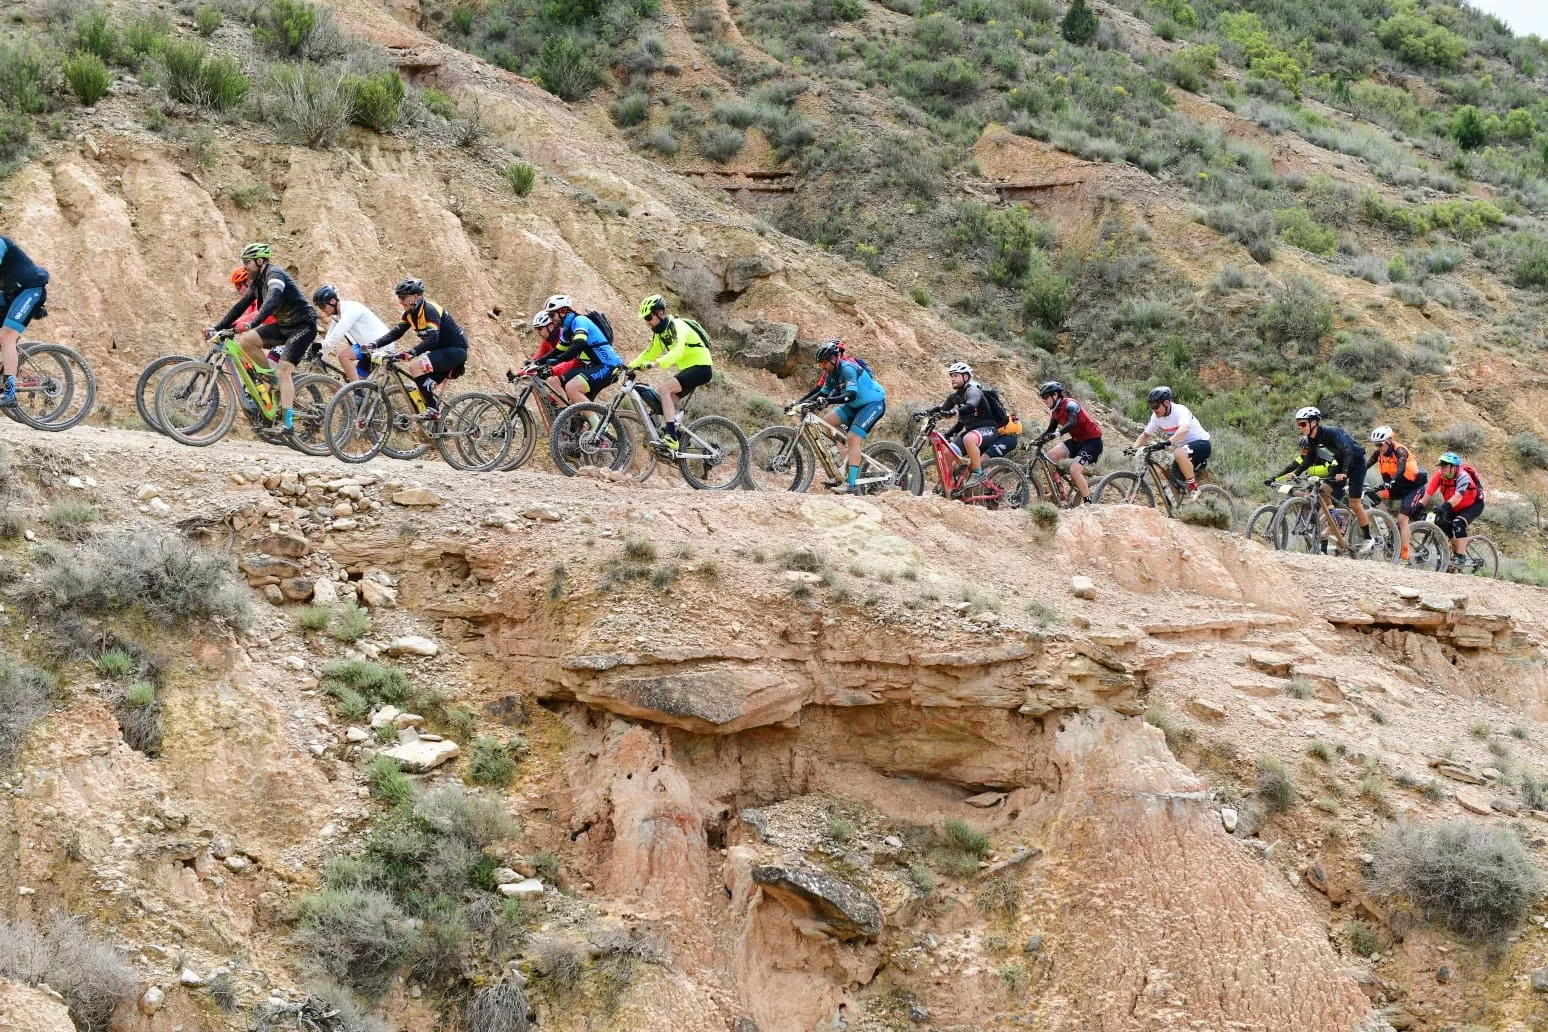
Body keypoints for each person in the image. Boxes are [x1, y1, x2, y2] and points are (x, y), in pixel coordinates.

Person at [208, 243, 317, 433]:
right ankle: (270, 380)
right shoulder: (258, 280)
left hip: (303, 327)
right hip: (284, 326)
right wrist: (217, 327)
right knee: (247, 341)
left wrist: (253, 322)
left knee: (283, 371)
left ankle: (288, 424)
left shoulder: (275, 275)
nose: (245, 267)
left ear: (260, 261)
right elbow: (240, 306)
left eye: (247, 263)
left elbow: (272, 300)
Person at [1266, 406, 1373, 549]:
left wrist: (1345, 473)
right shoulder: (1312, 439)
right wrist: (1295, 474)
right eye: (1298, 424)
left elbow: (1347, 452)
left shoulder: (1331, 433)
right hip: (1340, 462)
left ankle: (1368, 537)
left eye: (1303, 424)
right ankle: (1335, 522)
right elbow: (1308, 460)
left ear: (1314, 422)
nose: (1300, 427)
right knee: (1323, 490)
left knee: (1354, 503)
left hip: (1357, 461)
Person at [788, 340, 886, 495]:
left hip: (872, 404)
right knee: (827, 422)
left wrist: (829, 401)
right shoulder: (831, 374)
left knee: (853, 438)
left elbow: (850, 394)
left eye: (824, 364)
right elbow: (821, 394)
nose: (823, 367)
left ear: (834, 359)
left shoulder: (847, 369)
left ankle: (852, 485)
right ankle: (845, 465)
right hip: (855, 405)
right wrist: (798, 404)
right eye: (820, 365)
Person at [366, 278, 468, 419]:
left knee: (415, 367)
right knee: (421, 391)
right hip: (441, 353)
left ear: (415, 296)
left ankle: (433, 410)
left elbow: (433, 338)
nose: (400, 302)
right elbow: (396, 333)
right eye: (399, 297)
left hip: (455, 351)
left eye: (402, 297)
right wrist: (374, 344)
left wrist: (412, 353)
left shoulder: (430, 310)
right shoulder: (409, 314)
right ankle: (437, 426)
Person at [631, 295, 714, 453]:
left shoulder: (677, 325)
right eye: (645, 319)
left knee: (665, 389)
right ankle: (681, 437)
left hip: (702, 367)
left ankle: (672, 438)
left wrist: (655, 364)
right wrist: (628, 366)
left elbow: (678, 351)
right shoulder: (660, 334)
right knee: (664, 402)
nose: (647, 322)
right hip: (690, 369)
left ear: (660, 313)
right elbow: (648, 353)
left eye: (649, 317)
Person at [915, 362, 1014, 494]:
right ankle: (949, 488)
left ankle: (978, 474)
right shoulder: (955, 396)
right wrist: (925, 414)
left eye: (955, 375)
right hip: (971, 431)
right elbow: (941, 409)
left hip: (988, 429)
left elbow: (971, 405)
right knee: (947, 454)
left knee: (969, 439)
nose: (952, 378)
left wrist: (955, 412)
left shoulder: (973, 391)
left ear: (966, 377)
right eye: (951, 376)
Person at [534, 294, 623, 408]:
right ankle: (568, 420)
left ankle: (600, 425)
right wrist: (537, 362)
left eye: (552, 315)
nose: (551, 319)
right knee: (557, 385)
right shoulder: (567, 330)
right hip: (594, 366)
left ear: (563, 311)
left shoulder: (579, 321)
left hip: (609, 366)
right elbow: (558, 350)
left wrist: (553, 362)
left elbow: (577, 346)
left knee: (572, 387)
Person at [1131, 386, 1210, 499]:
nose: (1154, 410)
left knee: (1178, 453)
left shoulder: (1179, 410)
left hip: (1202, 444)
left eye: (1156, 406)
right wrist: (1133, 448)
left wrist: (1168, 442)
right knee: (1171, 483)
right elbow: (1145, 435)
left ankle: (1194, 488)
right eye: (1151, 406)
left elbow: (1184, 429)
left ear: (1166, 403)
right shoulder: (1156, 416)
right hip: (1183, 449)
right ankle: (1180, 508)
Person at [0, 237, 49, 409]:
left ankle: (10, 394)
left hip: (30, 289)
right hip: (11, 293)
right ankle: (9, 368)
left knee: (6, 338)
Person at [1365, 426, 1427, 562]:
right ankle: (1388, 525)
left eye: (1380, 444)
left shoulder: (1400, 451)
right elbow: (1365, 466)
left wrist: (1392, 481)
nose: (1378, 447)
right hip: (1396, 488)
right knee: (1372, 496)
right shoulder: (1378, 454)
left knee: (1402, 520)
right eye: (1376, 445)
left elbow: (1401, 467)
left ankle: (1404, 556)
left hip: (1413, 488)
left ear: (1389, 441)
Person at [1034, 380, 1102, 503]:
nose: (1043, 400)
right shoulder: (1055, 411)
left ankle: (1088, 503)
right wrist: (1033, 442)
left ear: (1055, 395)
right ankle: (1060, 491)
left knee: (1074, 470)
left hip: (1093, 442)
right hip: (1077, 441)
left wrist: (1058, 434)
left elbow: (1072, 422)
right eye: (1042, 397)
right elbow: (1049, 430)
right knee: (1050, 456)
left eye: (1045, 397)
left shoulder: (1070, 404)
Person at [1417, 451, 1485, 571]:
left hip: (1473, 505)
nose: (1442, 469)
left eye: (1445, 466)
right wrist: (1418, 507)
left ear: (1454, 468)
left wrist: (1444, 507)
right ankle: (1455, 551)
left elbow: (1458, 496)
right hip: (1454, 506)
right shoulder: (1439, 476)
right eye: (1441, 466)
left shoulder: (1463, 476)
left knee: (1458, 524)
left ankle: (1461, 556)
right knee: (1442, 523)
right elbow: (1428, 495)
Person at [314, 284, 389, 383]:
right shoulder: (337, 316)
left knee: (344, 356)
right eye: (319, 307)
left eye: (322, 306)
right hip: (367, 347)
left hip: (380, 345)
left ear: (332, 301)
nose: (321, 309)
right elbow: (329, 339)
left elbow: (336, 336)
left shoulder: (350, 310)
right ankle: (359, 392)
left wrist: (319, 350)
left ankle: (357, 390)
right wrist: (321, 355)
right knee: (355, 383)